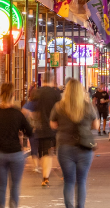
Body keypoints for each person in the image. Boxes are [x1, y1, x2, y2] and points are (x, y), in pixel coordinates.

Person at [51, 78, 99, 208]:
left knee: (69, 181)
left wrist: (63, 125)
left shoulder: (59, 106)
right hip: (84, 147)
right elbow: (96, 125)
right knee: (81, 181)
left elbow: (53, 124)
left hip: (65, 146)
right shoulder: (88, 106)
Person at [0, 82, 33, 208]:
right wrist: (21, 132)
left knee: (1, 185)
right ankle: (13, 205)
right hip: (15, 153)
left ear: (1, 93)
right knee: (15, 185)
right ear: (14, 94)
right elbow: (30, 131)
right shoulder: (17, 113)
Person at [33, 72, 62, 187]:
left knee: (44, 152)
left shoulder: (36, 93)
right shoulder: (56, 93)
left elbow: (33, 111)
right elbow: (60, 110)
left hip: (41, 127)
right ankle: (64, 172)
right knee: (57, 150)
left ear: (42, 80)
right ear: (52, 80)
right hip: (54, 126)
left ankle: (45, 177)